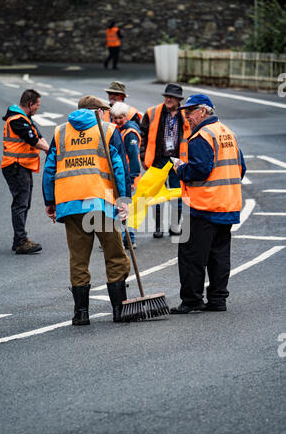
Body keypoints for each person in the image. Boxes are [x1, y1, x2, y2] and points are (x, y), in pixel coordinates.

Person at [42, 95, 131, 326]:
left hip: (71, 205)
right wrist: (124, 200)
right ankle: (119, 311)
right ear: (96, 111)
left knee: (79, 260)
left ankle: (81, 314)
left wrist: (50, 201)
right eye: (104, 110)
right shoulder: (109, 131)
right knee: (115, 256)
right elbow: (119, 167)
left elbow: (50, 168)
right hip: (101, 204)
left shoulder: (61, 132)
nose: (106, 114)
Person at [169, 94, 246, 314]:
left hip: (203, 207)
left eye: (190, 112)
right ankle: (218, 300)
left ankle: (192, 301)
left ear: (203, 111)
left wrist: (180, 168)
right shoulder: (227, 132)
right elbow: (242, 168)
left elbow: (199, 170)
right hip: (227, 205)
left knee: (191, 255)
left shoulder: (202, 136)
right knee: (219, 255)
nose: (187, 117)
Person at [1, 89, 49, 254]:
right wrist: (49, 151)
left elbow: (40, 136)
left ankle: (19, 240)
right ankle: (21, 241)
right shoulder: (17, 120)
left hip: (21, 166)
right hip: (15, 166)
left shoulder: (25, 118)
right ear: (30, 104)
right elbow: (34, 140)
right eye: (37, 105)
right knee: (21, 203)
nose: (38, 108)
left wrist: (51, 150)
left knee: (24, 202)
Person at [140, 83, 191, 238]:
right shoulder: (152, 112)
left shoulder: (186, 114)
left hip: (177, 160)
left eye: (171, 97)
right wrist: (143, 156)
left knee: (177, 193)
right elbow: (142, 134)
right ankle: (157, 227)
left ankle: (175, 226)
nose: (168, 99)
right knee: (156, 195)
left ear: (178, 100)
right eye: (166, 96)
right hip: (158, 159)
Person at [111, 101, 141, 249]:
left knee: (124, 206)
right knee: (123, 206)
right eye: (115, 118)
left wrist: (131, 179)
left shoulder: (129, 133)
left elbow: (134, 157)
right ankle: (126, 239)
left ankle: (128, 239)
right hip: (122, 175)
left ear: (126, 116)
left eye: (120, 118)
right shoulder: (120, 129)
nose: (117, 121)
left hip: (128, 176)